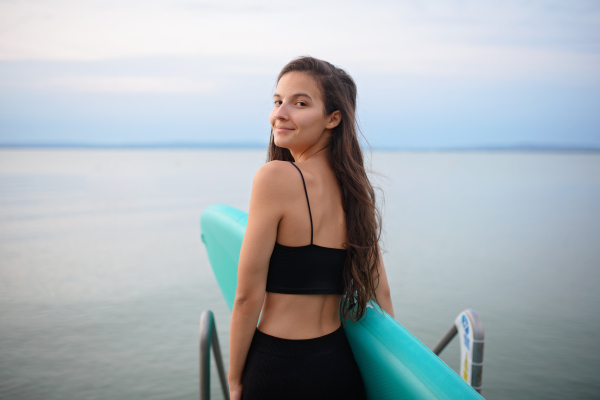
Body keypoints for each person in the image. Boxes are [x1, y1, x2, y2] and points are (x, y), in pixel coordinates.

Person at [227, 56, 395, 400]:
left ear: (333, 118)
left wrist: (233, 379)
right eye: (277, 101)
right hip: (339, 367)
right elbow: (383, 292)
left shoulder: (275, 176)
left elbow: (247, 297)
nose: (280, 113)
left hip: (279, 368)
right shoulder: (356, 192)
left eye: (299, 103)